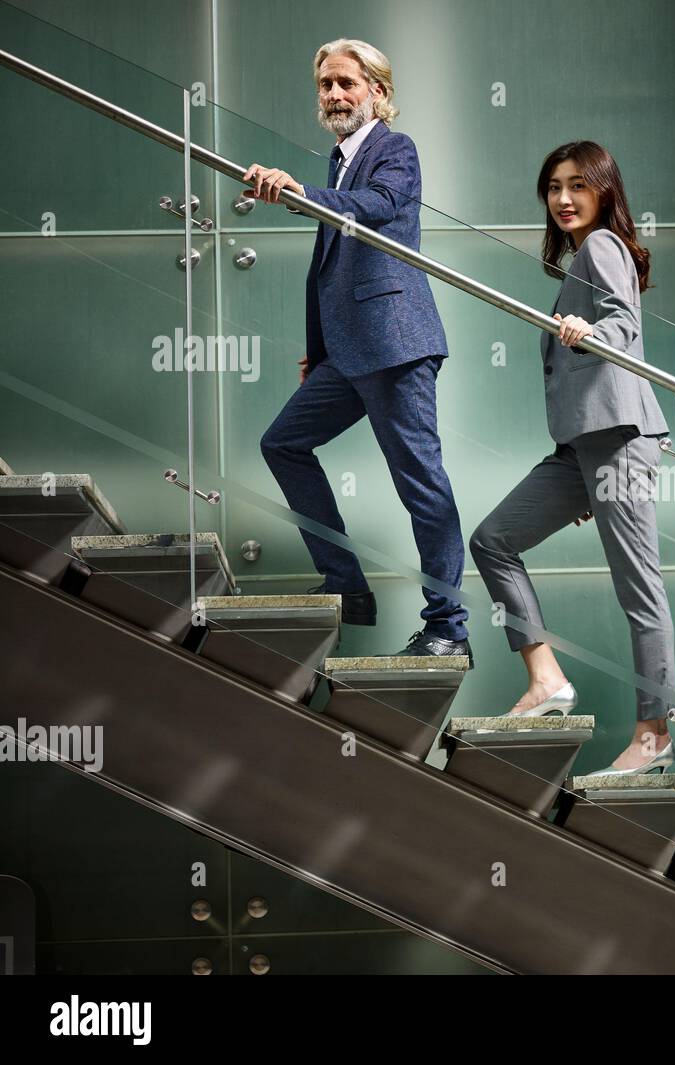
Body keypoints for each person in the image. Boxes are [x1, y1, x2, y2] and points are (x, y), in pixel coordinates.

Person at [244, 39, 470, 659]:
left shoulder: (394, 149)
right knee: (283, 444)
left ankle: (448, 629)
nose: (335, 95)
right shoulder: (338, 159)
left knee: (420, 484)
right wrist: (319, 355)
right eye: (326, 86)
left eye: (347, 83)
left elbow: (378, 209)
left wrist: (299, 194)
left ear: (378, 91)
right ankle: (347, 586)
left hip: (396, 348)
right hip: (346, 356)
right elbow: (330, 270)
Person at [469, 141, 675, 775]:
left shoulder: (603, 248)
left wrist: (590, 335)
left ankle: (654, 735)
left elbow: (624, 327)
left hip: (617, 442)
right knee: (492, 540)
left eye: (576, 186)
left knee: (639, 590)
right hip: (585, 450)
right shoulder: (581, 260)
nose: (562, 199)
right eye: (553, 188)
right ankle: (546, 677)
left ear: (604, 192)